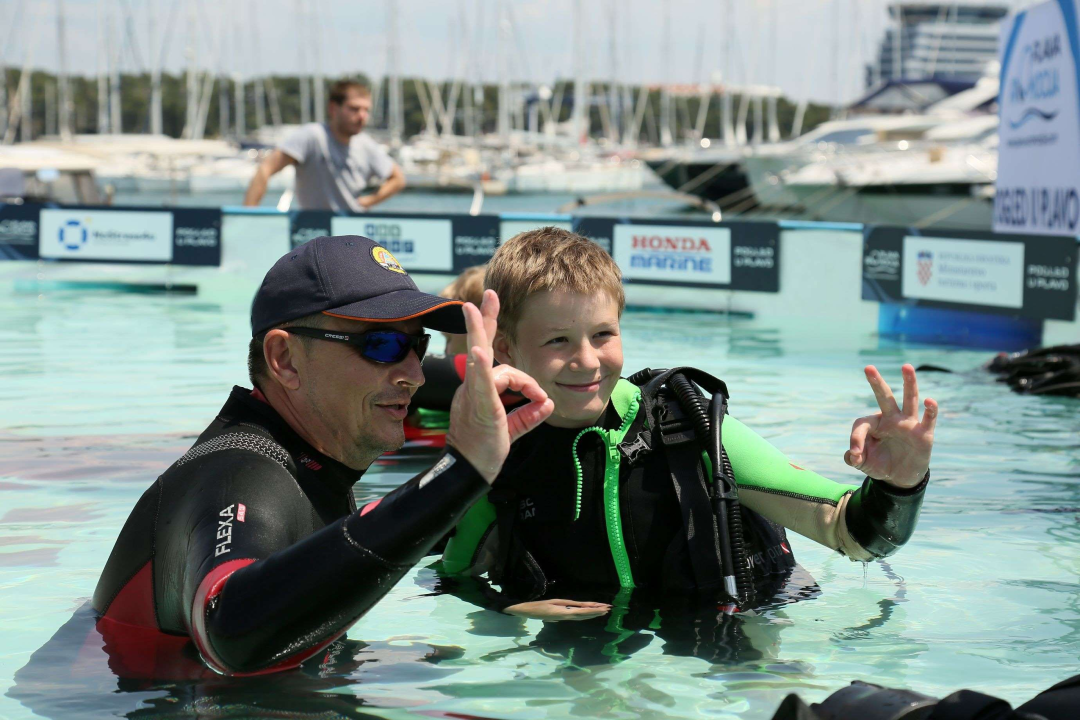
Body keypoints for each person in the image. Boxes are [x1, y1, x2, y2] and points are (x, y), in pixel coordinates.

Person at [89, 234, 554, 676]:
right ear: (285, 360)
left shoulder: (310, 468)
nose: (414, 374)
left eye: (418, 344)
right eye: (383, 344)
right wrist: (458, 474)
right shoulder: (238, 472)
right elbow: (228, 628)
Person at [441, 227, 938, 622]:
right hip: (586, 645)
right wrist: (506, 609)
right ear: (506, 349)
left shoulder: (690, 427)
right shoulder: (499, 455)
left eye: (603, 334)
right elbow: (452, 578)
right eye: (558, 341)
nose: (588, 362)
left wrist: (900, 484)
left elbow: (853, 533)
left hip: (730, 630)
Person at [243, 80, 406, 212]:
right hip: (314, 230)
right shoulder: (312, 136)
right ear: (333, 109)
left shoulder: (366, 145)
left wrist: (369, 201)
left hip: (353, 229)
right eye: (354, 109)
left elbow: (398, 179)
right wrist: (248, 216)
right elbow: (265, 169)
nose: (362, 116)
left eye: (366, 110)